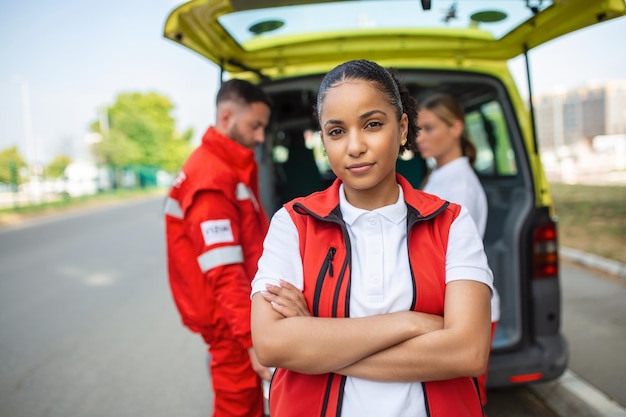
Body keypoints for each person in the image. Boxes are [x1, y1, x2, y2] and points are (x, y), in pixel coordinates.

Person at [250, 59, 494, 417]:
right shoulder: (292, 223)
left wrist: (316, 341)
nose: (355, 146)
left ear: (403, 127)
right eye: (336, 131)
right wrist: (412, 322)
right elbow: (271, 344)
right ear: (323, 140)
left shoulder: (451, 222)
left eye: (373, 125)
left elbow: (468, 352)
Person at [164, 78, 272, 417]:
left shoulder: (227, 167)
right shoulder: (210, 178)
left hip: (236, 317)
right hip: (230, 323)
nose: (260, 137)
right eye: (255, 126)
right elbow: (224, 272)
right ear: (226, 118)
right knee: (237, 406)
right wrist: (252, 340)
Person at [417, 93, 501, 406]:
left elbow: (443, 256)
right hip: (450, 306)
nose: (419, 137)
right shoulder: (441, 176)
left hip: (463, 311)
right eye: (417, 130)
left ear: (456, 128)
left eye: (429, 128)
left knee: (462, 403)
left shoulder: (459, 185)